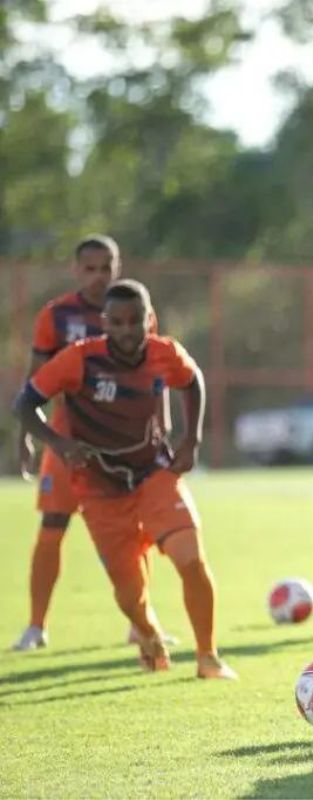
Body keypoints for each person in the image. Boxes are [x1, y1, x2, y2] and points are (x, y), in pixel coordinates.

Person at [13, 279, 235, 679]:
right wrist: (58, 444)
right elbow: (25, 403)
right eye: (118, 322)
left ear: (149, 320)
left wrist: (191, 439)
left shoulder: (164, 352)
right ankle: (147, 632)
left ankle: (208, 657)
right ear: (105, 324)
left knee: (192, 560)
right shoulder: (78, 359)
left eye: (136, 321)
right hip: (99, 489)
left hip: (154, 474)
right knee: (131, 595)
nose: (127, 330)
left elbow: (192, 380)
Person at [11, 235, 174, 652]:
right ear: (75, 270)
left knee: (135, 533)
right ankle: (35, 626)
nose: (99, 275)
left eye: (107, 267)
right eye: (90, 268)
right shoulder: (56, 316)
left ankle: (141, 625)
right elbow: (33, 385)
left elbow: (157, 372)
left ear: (117, 268)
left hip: (124, 443)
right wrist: (28, 437)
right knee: (52, 527)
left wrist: (164, 430)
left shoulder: (135, 310)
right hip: (69, 441)